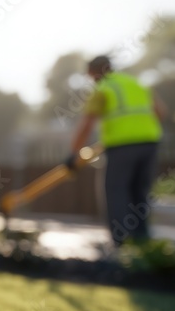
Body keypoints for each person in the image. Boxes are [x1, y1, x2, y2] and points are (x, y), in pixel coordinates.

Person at [67, 55, 167, 246]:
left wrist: (73, 152)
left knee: (116, 191)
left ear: (94, 72)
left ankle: (121, 243)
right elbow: (160, 112)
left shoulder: (103, 89)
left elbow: (87, 124)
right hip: (150, 143)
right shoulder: (136, 83)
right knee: (140, 192)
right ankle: (142, 240)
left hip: (121, 147)